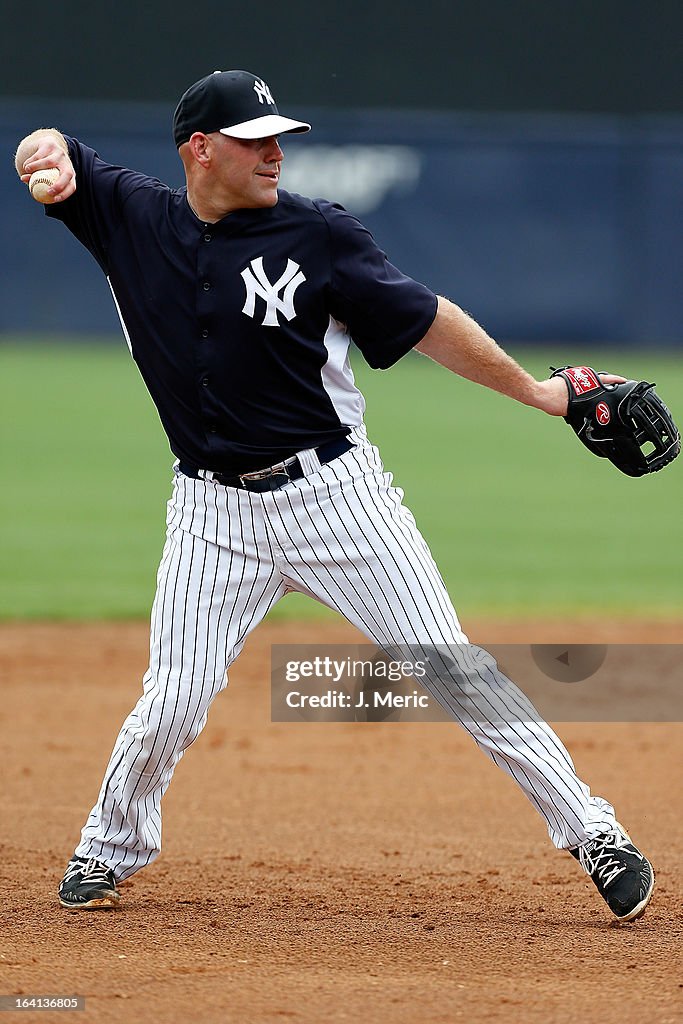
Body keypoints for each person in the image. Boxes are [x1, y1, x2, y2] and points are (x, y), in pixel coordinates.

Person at [15, 70, 654, 921]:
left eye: (280, 136)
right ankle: (110, 845)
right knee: (171, 697)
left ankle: (592, 831)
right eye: (255, 139)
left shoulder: (318, 237)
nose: (276, 152)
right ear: (200, 151)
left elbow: (430, 320)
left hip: (337, 500)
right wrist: (42, 156)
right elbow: (50, 148)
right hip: (211, 514)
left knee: (452, 669)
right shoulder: (131, 215)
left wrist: (539, 395)